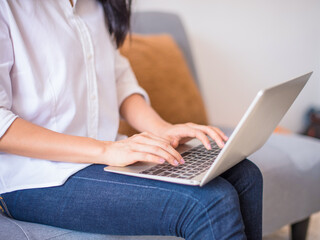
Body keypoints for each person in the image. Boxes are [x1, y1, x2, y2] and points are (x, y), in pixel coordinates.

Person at [0, 0, 263, 239]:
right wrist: (106, 150)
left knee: (245, 174)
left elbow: (119, 81)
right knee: (209, 203)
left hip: (104, 156)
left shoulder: (95, 6)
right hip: (36, 175)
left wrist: (163, 130)